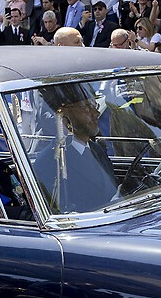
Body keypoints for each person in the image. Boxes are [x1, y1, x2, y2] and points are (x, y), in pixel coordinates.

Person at [30, 83, 119, 213]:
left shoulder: (97, 150)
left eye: (95, 106)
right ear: (65, 115)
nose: (96, 113)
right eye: (87, 108)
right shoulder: (50, 162)